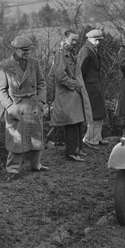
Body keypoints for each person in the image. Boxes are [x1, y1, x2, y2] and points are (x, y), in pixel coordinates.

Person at [0, 35, 48, 174]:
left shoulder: (34, 63)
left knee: (36, 138)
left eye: (28, 49)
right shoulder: (5, 65)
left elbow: (42, 83)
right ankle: (12, 170)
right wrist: (10, 107)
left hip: (33, 106)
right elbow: (0, 90)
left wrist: (41, 101)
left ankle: (36, 166)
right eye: (24, 50)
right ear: (16, 49)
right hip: (16, 107)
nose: (27, 52)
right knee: (16, 140)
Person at [50, 30, 92, 162]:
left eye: (76, 40)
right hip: (68, 95)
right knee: (72, 123)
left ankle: (78, 149)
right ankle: (71, 153)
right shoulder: (61, 54)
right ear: (65, 38)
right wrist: (75, 84)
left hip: (74, 94)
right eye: (72, 40)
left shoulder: (71, 53)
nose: (75, 42)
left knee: (78, 122)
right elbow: (59, 76)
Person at [77, 28, 109, 148]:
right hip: (90, 88)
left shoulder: (92, 50)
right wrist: (82, 87)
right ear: (89, 39)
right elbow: (80, 71)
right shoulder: (86, 51)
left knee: (99, 113)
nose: (98, 42)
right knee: (94, 114)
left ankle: (97, 137)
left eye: (99, 40)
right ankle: (90, 139)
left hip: (95, 87)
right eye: (96, 40)